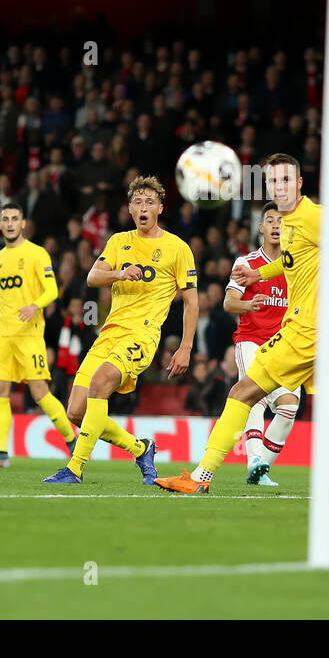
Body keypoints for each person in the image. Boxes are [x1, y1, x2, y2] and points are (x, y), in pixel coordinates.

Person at [155, 154, 329, 496]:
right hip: (323, 334)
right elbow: (292, 264)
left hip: (304, 331)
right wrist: (257, 274)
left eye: (286, 180)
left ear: (299, 183)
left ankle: (201, 477)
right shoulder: (290, 224)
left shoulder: (313, 217)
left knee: (242, 392)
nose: (280, 187)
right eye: (273, 181)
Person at [43, 175, 195, 485]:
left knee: (100, 384)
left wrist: (186, 348)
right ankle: (141, 448)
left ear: (160, 208)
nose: (143, 207)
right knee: (75, 412)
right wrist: (120, 273)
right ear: (129, 207)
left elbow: (192, 303)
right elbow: (92, 278)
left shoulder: (177, 248)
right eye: (137, 202)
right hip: (109, 332)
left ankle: (74, 468)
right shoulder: (118, 241)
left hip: (142, 335)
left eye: (149, 202)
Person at [0, 203, 74, 468]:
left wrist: (35, 305)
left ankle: (72, 439)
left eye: (15, 218)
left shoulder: (37, 254)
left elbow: (52, 289)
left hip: (28, 334)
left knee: (39, 392)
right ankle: (1, 453)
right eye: (6, 219)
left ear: (23, 223)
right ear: (0, 226)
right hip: (2, 334)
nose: (11, 223)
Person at [223, 200, 296, 486]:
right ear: (261, 227)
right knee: (255, 394)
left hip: (285, 346)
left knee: (288, 408)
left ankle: (260, 467)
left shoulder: (294, 266)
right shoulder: (246, 263)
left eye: (281, 221)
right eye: (270, 220)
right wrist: (248, 304)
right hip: (251, 340)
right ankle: (253, 460)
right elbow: (229, 302)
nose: (276, 225)